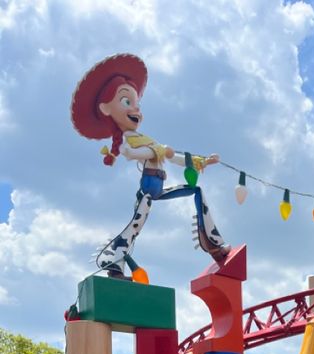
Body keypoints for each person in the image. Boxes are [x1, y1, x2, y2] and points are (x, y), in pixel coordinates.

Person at [70, 53, 230, 278]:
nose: (135, 109)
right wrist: (158, 150)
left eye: (136, 103)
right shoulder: (129, 140)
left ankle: (213, 244)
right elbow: (130, 153)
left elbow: (175, 158)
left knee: (196, 191)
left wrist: (202, 161)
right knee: (134, 228)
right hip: (147, 191)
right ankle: (112, 262)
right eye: (127, 102)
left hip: (158, 189)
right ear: (106, 108)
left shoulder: (148, 140)